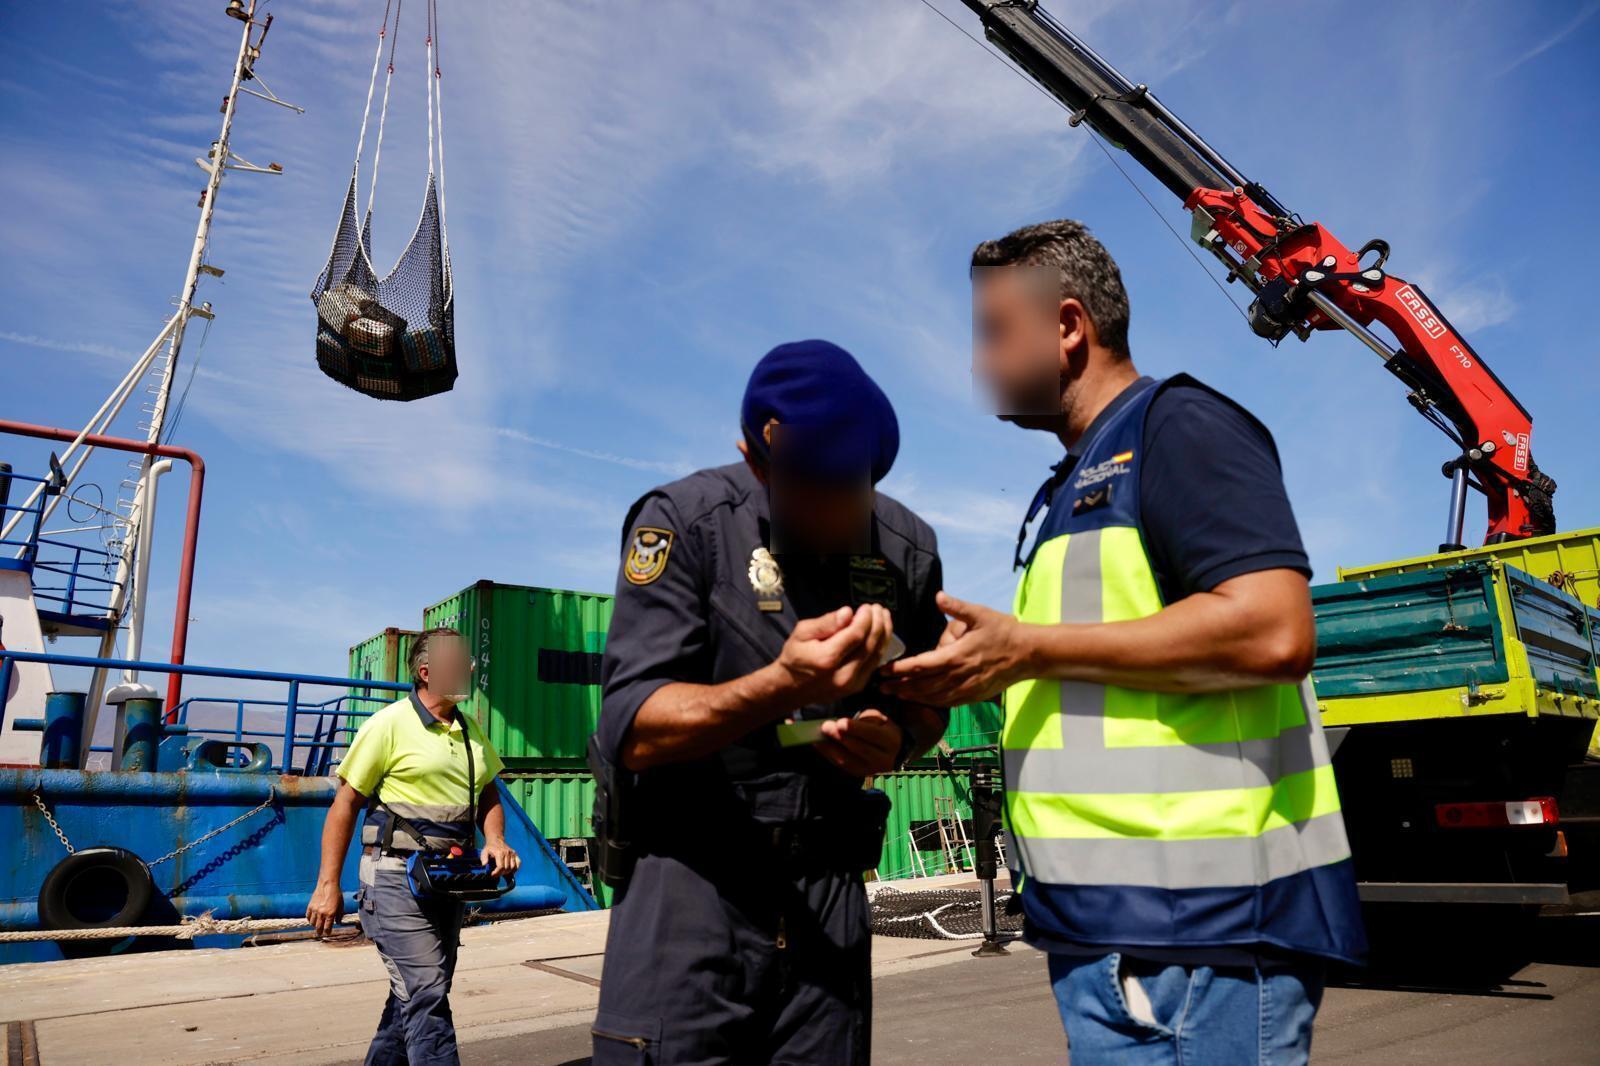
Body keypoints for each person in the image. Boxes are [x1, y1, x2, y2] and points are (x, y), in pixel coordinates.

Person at [883, 220, 1366, 1065]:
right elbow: (1097, 674)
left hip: (1201, 943)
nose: (976, 362)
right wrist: (971, 671)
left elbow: (1274, 626)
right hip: (1120, 937)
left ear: (1069, 327)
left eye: (992, 332)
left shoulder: (1180, 428)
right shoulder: (1070, 485)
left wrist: (1029, 648)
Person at [588, 339, 951, 1064]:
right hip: (692, 888)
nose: (841, 512)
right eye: (813, 490)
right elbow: (632, 727)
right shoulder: (687, 525)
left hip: (829, 891)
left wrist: (902, 740)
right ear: (756, 461)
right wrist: (784, 684)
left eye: (856, 485)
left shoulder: (905, 548)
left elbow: (929, 697)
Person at [306, 626, 519, 1066]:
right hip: (392, 879)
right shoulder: (388, 725)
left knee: (415, 995)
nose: (469, 667)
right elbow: (344, 805)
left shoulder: (468, 729)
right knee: (426, 991)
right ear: (426, 671)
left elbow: (489, 793)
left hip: (447, 882)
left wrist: (495, 838)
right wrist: (327, 885)